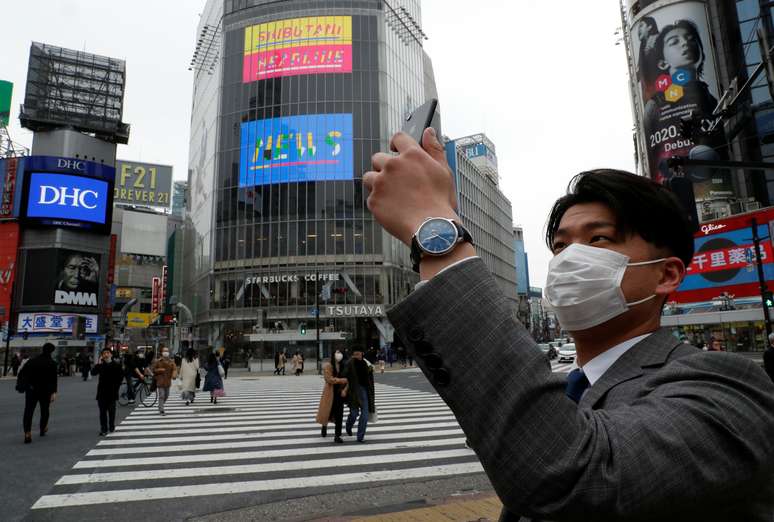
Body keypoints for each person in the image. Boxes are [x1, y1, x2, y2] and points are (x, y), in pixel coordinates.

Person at [362, 127, 774, 519]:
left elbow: (572, 474)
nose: (570, 260)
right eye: (560, 245)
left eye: (598, 239)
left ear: (667, 274)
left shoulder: (729, 388)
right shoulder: (565, 387)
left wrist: (434, 227)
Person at [19, 343, 58, 444]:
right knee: (45, 410)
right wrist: (54, 392)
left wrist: (23, 386)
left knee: (28, 411)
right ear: (52, 351)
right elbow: (53, 379)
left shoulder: (32, 361)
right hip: (45, 391)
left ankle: (27, 433)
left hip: (31, 390)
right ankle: (42, 428)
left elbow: (23, 373)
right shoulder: (52, 363)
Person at [316, 349, 349, 443]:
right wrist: (341, 380)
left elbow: (348, 379)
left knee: (339, 415)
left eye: (340, 352)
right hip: (330, 393)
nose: (339, 355)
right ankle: (324, 425)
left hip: (340, 393)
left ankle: (337, 435)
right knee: (328, 412)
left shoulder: (343, 365)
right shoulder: (328, 365)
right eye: (337, 352)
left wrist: (345, 389)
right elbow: (328, 379)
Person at [343, 347, 375, 443]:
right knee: (354, 413)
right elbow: (344, 375)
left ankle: (360, 437)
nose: (356, 356)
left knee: (365, 415)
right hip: (353, 392)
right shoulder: (349, 363)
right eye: (355, 354)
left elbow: (370, 379)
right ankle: (348, 426)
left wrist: (372, 393)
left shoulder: (366, 364)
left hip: (365, 391)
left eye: (358, 354)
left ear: (362, 354)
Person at [90, 347, 123, 436]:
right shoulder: (100, 365)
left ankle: (111, 425)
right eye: (104, 353)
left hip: (112, 392)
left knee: (112, 412)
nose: (106, 354)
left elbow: (120, 378)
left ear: (111, 354)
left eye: (108, 353)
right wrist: (98, 363)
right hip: (101, 392)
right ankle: (103, 428)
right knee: (102, 412)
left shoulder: (117, 365)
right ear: (102, 355)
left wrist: (117, 387)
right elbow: (93, 373)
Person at [151, 347, 177, 415]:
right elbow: (153, 370)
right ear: (162, 352)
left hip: (167, 381)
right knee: (161, 395)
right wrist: (160, 370)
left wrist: (174, 375)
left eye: (167, 351)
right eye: (164, 351)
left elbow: (174, 369)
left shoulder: (171, 361)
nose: (166, 352)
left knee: (166, 395)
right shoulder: (158, 361)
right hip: (160, 381)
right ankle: (161, 410)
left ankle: (160, 405)